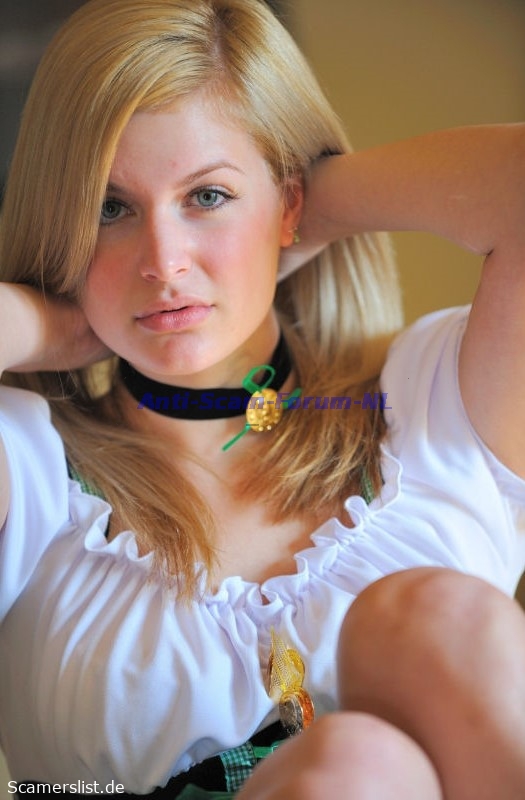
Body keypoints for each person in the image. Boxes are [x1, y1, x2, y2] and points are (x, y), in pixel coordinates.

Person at [1, 0, 524, 797]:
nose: (164, 262)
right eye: (110, 208)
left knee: (426, 628)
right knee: (355, 764)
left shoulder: (435, 406)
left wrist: (307, 203)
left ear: (287, 201)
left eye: (206, 197)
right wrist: (45, 327)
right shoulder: (29, 472)